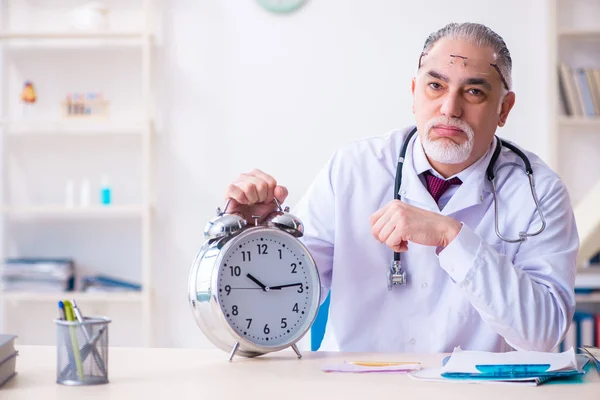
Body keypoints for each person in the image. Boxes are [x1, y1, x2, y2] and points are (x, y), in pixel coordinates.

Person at [224, 22, 579, 353]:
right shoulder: (352, 170)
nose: (450, 108)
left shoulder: (538, 191)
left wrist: (452, 237)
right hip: (352, 389)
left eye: (473, 91)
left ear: (504, 108)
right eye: (435, 86)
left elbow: (543, 334)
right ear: (414, 93)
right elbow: (271, 310)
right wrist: (251, 240)